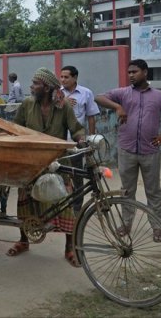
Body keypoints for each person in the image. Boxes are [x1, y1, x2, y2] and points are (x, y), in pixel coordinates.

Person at [95, 59, 161, 243]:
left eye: (134, 72)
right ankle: (126, 224)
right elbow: (99, 97)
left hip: (150, 150)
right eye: (129, 72)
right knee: (127, 190)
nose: (131, 75)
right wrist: (118, 107)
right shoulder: (123, 93)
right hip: (127, 150)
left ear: (145, 72)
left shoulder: (159, 96)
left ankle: (157, 227)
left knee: (153, 191)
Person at [6, 67, 86, 267]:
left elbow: (75, 128)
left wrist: (83, 140)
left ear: (48, 87)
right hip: (31, 163)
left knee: (65, 204)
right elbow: (16, 128)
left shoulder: (64, 106)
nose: (32, 87)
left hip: (58, 163)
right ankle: (23, 241)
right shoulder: (27, 104)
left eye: (36, 84)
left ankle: (69, 248)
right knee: (25, 202)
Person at [59, 65, 100, 215]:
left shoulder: (86, 93)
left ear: (75, 78)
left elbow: (91, 116)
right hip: (59, 141)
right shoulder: (56, 93)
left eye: (66, 77)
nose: (63, 80)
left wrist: (91, 138)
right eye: (61, 77)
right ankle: (62, 207)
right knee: (59, 174)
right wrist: (63, 102)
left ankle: (77, 208)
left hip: (77, 141)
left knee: (77, 175)